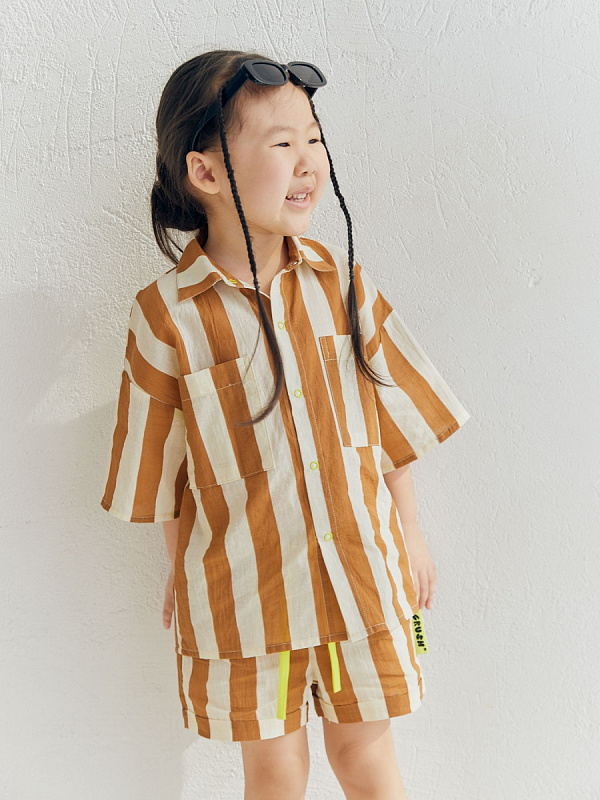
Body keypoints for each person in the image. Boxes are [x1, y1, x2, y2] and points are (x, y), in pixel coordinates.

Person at [100, 49, 471, 800]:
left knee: (367, 759)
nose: (310, 161)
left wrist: (409, 532)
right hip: (245, 599)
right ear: (206, 172)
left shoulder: (342, 283)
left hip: (362, 580)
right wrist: (182, 569)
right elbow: (163, 472)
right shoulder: (167, 317)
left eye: (314, 139)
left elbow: (393, 419)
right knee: (274, 772)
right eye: (282, 142)